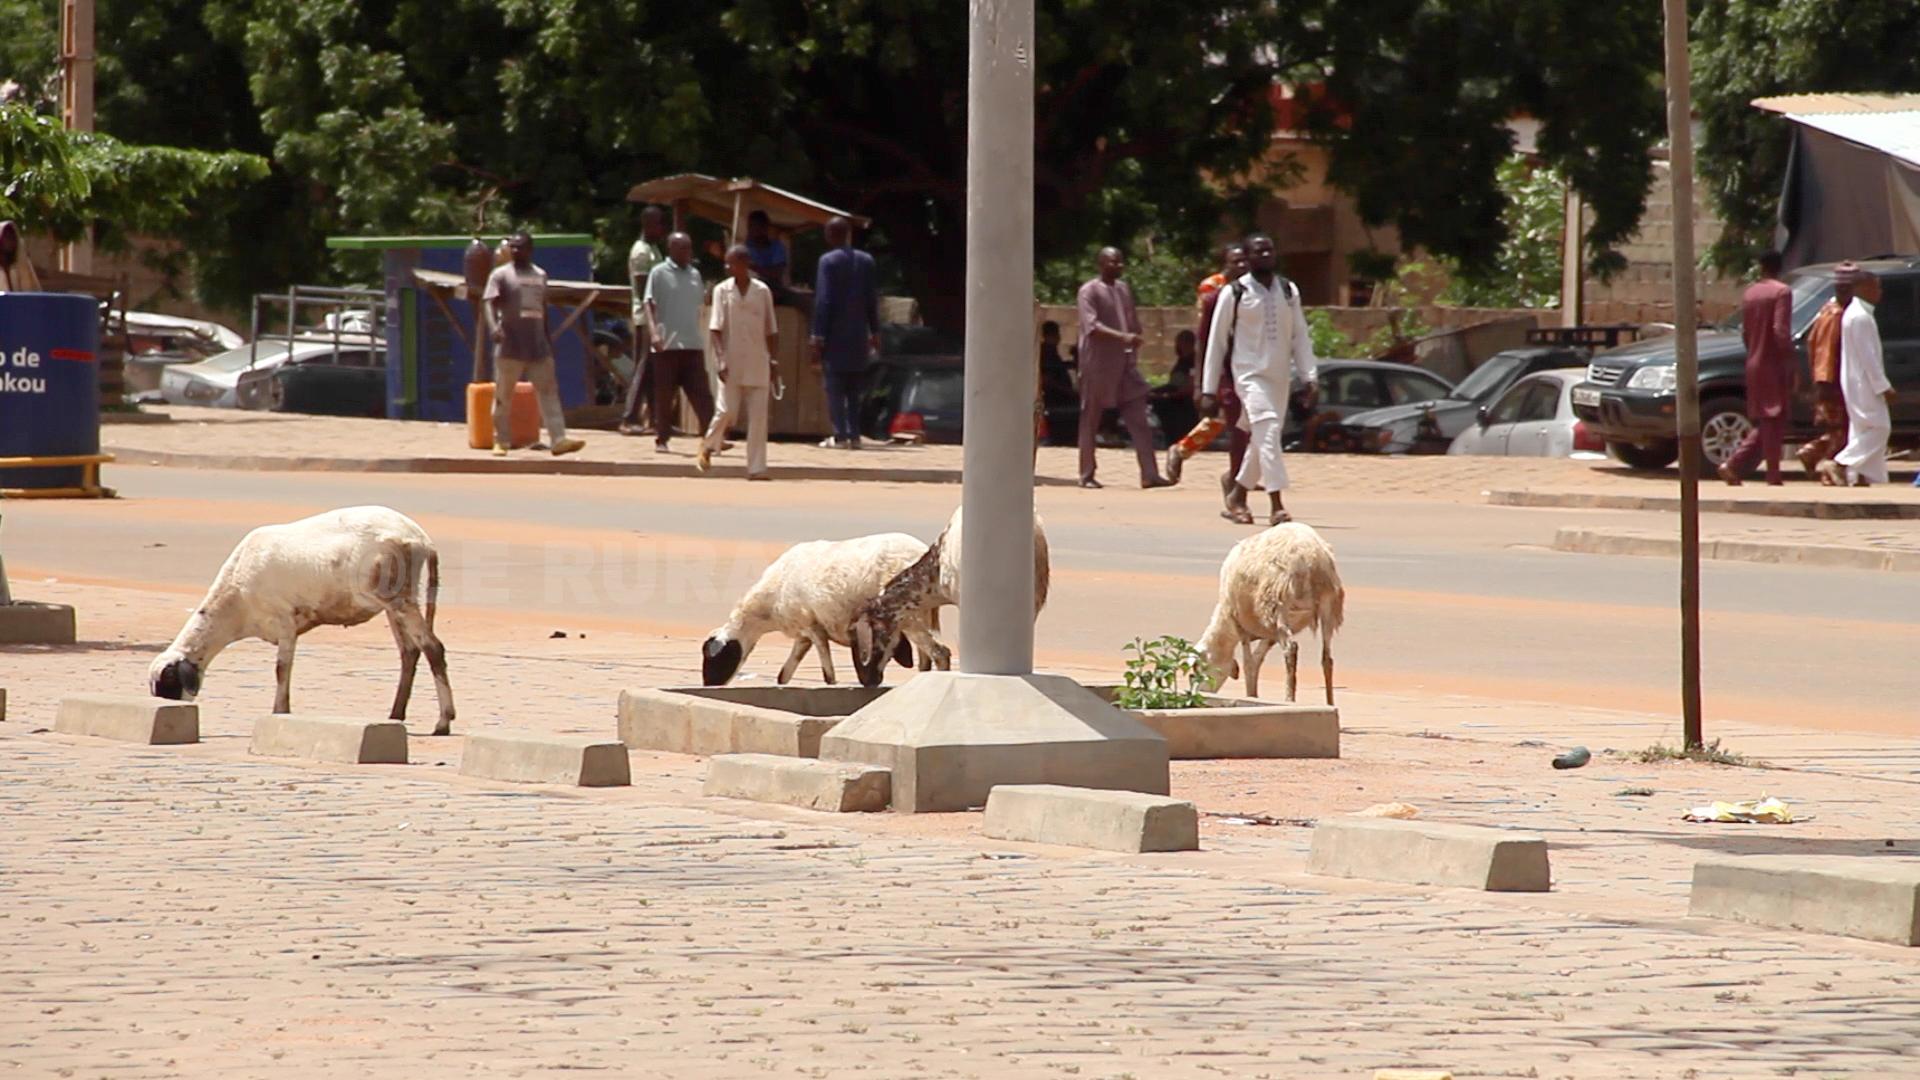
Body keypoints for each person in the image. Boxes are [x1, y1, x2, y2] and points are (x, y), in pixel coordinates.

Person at [1200, 232, 1317, 525]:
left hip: (1279, 377)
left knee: (1264, 438)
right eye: (1258, 252)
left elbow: (1299, 335)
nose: (1265, 256)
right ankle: (1277, 503)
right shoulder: (1234, 293)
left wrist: (1309, 376)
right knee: (1266, 428)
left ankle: (1238, 494)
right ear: (1247, 258)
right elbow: (1216, 343)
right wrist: (1208, 389)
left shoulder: (1288, 291)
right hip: (1249, 376)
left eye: (1269, 251)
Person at [1074, 247, 1171, 490]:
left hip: (1126, 365)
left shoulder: (1123, 289)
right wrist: (1123, 337)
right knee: (1091, 418)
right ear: (1101, 264)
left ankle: (1149, 473)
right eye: (1112, 262)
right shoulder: (1089, 291)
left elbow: (1131, 320)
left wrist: (1135, 336)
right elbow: (1092, 326)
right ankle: (1086, 473)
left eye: (1120, 262)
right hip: (1098, 365)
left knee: (1138, 417)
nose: (1118, 266)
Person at [1167, 245, 1252, 515]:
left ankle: (1238, 474)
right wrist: (1203, 380)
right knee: (1224, 420)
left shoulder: (1249, 286)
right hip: (1220, 359)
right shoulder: (1212, 288)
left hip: (1243, 360)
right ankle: (1184, 452)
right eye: (1236, 260)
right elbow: (1207, 333)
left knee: (1237, 422)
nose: (1242, 265)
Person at [483, 232, 584, 458]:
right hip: (509, 345)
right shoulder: (500, 275)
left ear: (530, 250)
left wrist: (548, 340)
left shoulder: (540, 275)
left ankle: (558, 439)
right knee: (503, 395)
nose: (516, 251)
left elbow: (543, 310)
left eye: (520, 247)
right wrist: (493, 328)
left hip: (537, 346)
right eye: (513, 247)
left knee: (549, 393)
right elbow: (488, 303)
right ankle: (501, 441)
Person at [699, 246, 779, 480]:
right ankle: (708, 444)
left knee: (758, 419)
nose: (727, 267)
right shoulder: (722, 291)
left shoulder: (762, 291)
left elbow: (772, 330)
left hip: (758, 361)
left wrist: (773, 360)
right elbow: (715, 328)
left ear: (745, 264)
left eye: (731, 263)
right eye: (726, 263)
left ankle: (756, 468)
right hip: (731, 362)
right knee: (727, 410)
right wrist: (721, 358)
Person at [1719, 250, 1794, 486]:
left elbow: (1745, 332)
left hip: (1754, 360)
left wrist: (1754, 350)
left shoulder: (1751, 294)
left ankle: (1768, 472)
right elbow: (1780, 331)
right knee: (1773, 417)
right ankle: (1743, 465)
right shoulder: (1782, 292)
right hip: (1773, 362)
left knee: (1765, 418)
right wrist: (1790, 360)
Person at [810, 216, 879, 449]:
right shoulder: (866, 261)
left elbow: (824, 300)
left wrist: (817, 335)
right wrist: (876, 330)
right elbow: (872, 300)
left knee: (835, 387)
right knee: (854, 389)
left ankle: (840, 435)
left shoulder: (827, 262)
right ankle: (855, 434)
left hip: (835, 334)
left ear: (829, 235)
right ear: (848, 234)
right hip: (859, 333)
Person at [643, 232, 716, 454]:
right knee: (665, 394)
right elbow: (648, 304)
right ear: (672, 249)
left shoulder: (695, 274)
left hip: (692, 342)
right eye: (683, 248)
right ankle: (661, 438)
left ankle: (712, 437)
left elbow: (700, 302)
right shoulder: (658, 273)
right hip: (667, 344)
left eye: (689, 247)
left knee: (702, 394)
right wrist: (654, 333)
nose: (688, 252)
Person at [1830, 267, 1894, 486]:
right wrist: (1883, 386)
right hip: (1863, 382)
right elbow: (1869, 357)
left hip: (1857, 380)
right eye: (1876, 287)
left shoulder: (1859, 313)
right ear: (1863, 288)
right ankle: (1841, 462)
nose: (1880, 292)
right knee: (1880, 426)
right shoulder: (1859, 317)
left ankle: (1861, 476)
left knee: (1861, 429)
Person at [619, 205, 669, 435]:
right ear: (648, 224)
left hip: (655, 316)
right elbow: (642, 289)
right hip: (644, 317)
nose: (662, 229)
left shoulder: (653, 249)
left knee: (651, 369)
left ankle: (656, 420)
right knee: (642, 366)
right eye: (659, 224)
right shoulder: (641, 252)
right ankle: (629, 417)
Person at [1797, 272, 1851, 481]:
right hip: (1833, 379)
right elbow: (1830, 351)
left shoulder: (1824, 312)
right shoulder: (1837, 316)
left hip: (1822, 376)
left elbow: (1812, 343)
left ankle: (1814, 454)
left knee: (1836, 427)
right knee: (1840, 429)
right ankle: (1816, 456)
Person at [743, 210, 792, 303]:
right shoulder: (746, 248)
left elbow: (776, 273)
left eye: (755, 226)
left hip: (772, 288)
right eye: (749, 227)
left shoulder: (777, 247)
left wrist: (753, 267)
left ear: (764, 228)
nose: (751, 230)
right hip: (749, 289)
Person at [1195, 242, 1245, 311]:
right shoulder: (1210, 285)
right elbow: (1204, 311)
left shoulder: (1251, 283)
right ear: (1226, 264)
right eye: (1236, 262)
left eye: (1244, 260)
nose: (1242, 265)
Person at [0, 221, 41, 293]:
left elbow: (35, 294)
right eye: (6, 236)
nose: (10, 240)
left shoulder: (24, 265)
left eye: (12, 236)